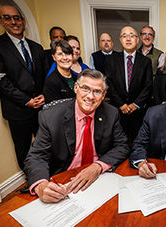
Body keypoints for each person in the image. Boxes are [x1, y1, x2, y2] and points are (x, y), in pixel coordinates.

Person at [24, 69, 130, 203]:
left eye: (97, 91)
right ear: (76, 88)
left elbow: (122, 146)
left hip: (100, 178)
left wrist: (97, 166)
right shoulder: (50, 117)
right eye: (85, 88)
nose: (90, 96)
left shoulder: (111, 113)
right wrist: (40, 185)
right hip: (65, 181)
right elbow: (36, 156)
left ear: (103, 95)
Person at [0, 5, 47, 170]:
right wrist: (27, 101)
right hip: (18, 109)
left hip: (41, 108)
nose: (13, 22)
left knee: (46, 144)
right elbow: (1, 80)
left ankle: (48, 175)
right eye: (7, 18)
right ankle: (32, 182)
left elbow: (45, 76)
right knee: (24, 149)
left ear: (23, 21)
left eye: (17, 18)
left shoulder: (37, 48)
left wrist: (44, 95)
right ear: (1, 21)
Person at [105, 26, 153, 142]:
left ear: (137, 40)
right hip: (117, 111)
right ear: (120, 40)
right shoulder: (111, 60)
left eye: (131, 36)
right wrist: (121, 104)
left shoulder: (145, 61)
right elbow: (108, 84)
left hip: (138, 112)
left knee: (138, 143)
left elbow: (148, 85)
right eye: (124, 36)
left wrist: (136, 104)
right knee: (118, 143)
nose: (128, 39)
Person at [43, 40, 76, 104]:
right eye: (60, 54)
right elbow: (52, 109)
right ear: (54, 57)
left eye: (67, 53)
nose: (65, 58)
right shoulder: (50, 82)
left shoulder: (78, 78)